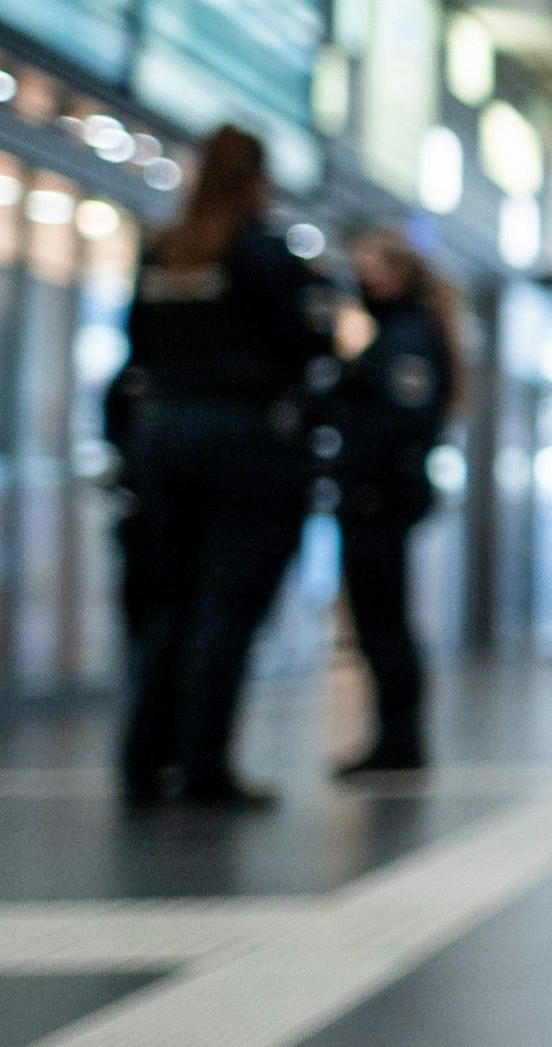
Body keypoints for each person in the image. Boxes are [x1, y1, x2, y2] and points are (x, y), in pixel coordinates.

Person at [116, 126, 331, 809]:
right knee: (228, 607)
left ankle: (145, 757)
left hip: (164, 438)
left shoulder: (165, 250)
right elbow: (306, 344)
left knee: (169, 603)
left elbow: (136, 345)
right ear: (258, 179)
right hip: (245, 441)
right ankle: (203, 763)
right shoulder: (263, 252)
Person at [328, 228, 463, 776]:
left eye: (371, 267)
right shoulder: (394, 332)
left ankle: (400, 739)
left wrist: (370, 476)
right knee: (378, 619)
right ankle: (395, 737)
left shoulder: (406, 337)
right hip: (378, 491)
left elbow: (405, 419)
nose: (361, 278)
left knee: (382, 620)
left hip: (379, 494)